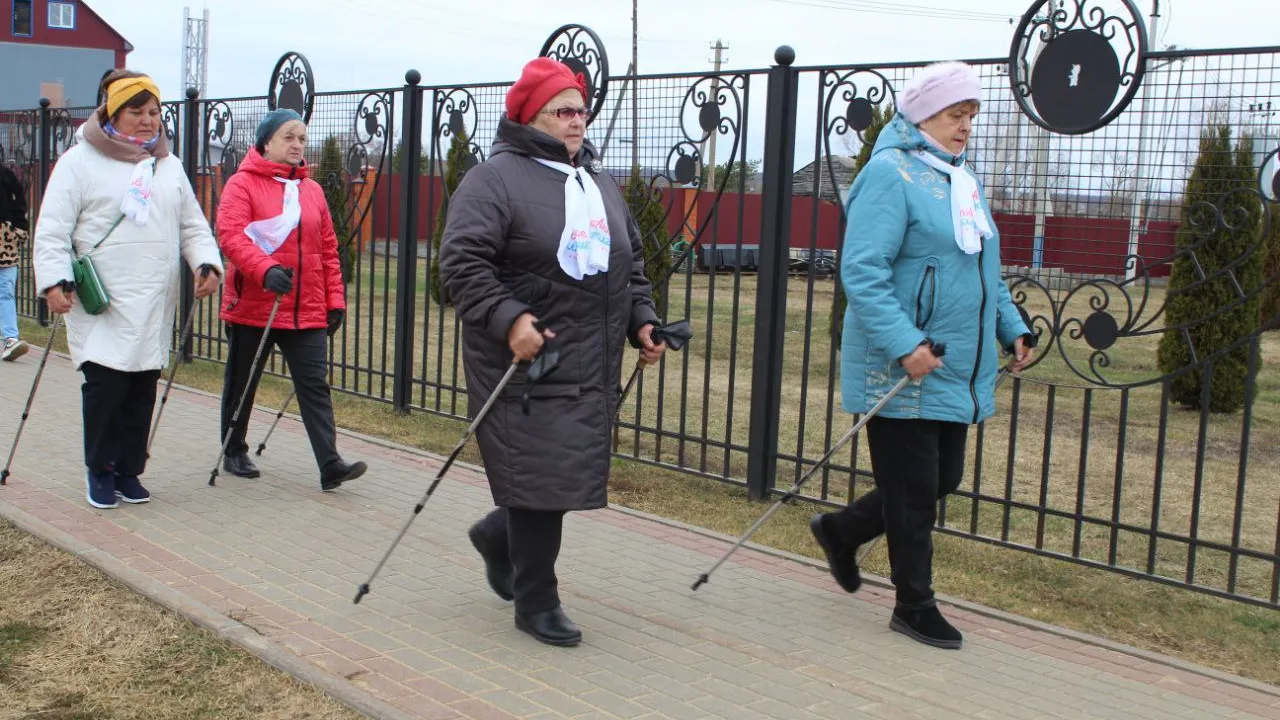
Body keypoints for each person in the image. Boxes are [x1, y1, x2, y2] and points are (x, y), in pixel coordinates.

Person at [439, 57, 666, 647]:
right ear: (529, 116)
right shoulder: (493, 179)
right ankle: (537, 600)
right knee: (541, 476)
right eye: (563, 111)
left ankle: (498, 535)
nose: (577, 121)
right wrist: (510, 318)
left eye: (581, 110)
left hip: (587, 358)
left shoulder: (596, 180)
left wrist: (642, 321)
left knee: (556, 473)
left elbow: (629, 263)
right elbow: (462, 264)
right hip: (524, 358)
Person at [809, 62, 1035, 650]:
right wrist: (904, 343)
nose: (966, 127)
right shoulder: (890, 174)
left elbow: (983, 269)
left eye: (971, 116)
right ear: (922, 115)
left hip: (953, 364)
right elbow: (863, 270)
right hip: (904, 363)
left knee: (942, 477)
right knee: (913, 493)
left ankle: (842, 530)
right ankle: (914, 604)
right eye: (956, 115)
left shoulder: (963, 180)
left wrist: (1011, 327)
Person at [32, 69, 224, 509]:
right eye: (136, 111)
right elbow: (53, 229)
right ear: (113, 113)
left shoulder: (169, 166)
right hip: (103, 301)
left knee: (141, 389)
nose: (147, 120)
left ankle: (128, 471)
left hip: (153, 299)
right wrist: (54, 281)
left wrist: (206, 263)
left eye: (153, 112)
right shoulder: (78, 162)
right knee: (106, 388)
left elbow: (192, 225)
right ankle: (100, 470)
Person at [215, 108, 365, 492]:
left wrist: (335, 300)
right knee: (243, 381)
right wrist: (264, 270)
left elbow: (328, 250)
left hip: (306, 308)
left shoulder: (311, 190)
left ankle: (330, 463)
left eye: (302, 138)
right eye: (289, 137)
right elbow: (231, 236)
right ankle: (234, 449)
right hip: (256, 305)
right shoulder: (242, 184)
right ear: (267, 142)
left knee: (314, 385)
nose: (298, 145)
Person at [0, 161, 29, 361]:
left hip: (5, 242)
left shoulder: (5, 175)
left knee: (6, 290)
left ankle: (11, 339)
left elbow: (20, 202)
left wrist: (18, 229)